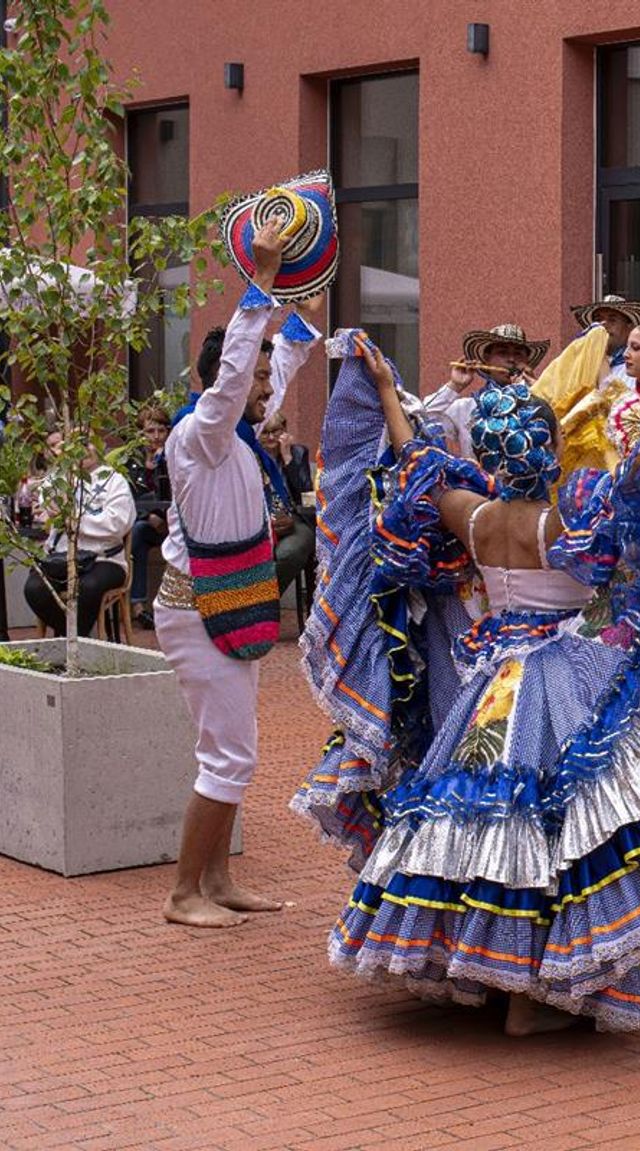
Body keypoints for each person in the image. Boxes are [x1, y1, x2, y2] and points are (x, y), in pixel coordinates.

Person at [294, 317, 640, 1032]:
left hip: (488, 686)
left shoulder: (471, 514)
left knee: (482, 827)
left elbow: (415, 455)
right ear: (547, 446)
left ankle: (487, 973)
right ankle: (534, 994)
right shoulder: (570, 513)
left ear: (487, 449)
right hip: (567, 676)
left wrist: (390, 390)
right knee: (572, 832)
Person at [156, 219, 324, 928]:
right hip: (199, 609)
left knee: (232, 753)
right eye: (250, 379)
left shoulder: (239, 433)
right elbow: (235, 383)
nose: (263, 391)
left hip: (226, 604)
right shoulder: (201, 434)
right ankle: (183, 893)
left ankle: (218, 881)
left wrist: (298, 312)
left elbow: (267, 374)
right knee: (227, 755)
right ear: (217, 380)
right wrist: (257, 285)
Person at [23, 438, 134, 637]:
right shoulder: (57, 479)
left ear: (98, 447)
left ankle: (72, 643)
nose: (82, 450)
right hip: (59, 558)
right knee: (34, 589)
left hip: (104, 559)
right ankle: (75, 640)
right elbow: (48, 506)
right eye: (75, 444)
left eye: (88, 443)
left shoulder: (114, 480)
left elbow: (117, 525)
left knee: (87, 588)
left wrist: (74, 520)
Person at [420, 322, 550, 457]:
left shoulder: (538, 405)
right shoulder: (466, 408)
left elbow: (558, 434)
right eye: (502, 353)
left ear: (527, 361)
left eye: (518, 354)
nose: (511, 359)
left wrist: (536, 391)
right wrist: (455, 386)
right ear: (486, 359)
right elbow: (421, 420)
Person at [256, 410, 315, 596]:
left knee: (288, 553)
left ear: (285, 431)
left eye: (277, 431)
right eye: (266, 433)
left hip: (295, 517)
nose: (272, 437)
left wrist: (288, 458)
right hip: (261, 520)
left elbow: (306, 493)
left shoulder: (297, 453)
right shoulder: (251, 455)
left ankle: (266, 601)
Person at [128, 403, 173, 630]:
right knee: (137, 533)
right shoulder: (131, 462)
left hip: (173, 523)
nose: (156, 437)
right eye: (150, 431)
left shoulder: (173, 457)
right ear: (140, 434)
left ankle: (173, 604)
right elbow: (128, 498)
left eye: (161, 431)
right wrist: (149, 516)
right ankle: (138, 605)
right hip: (146, 526)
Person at [571, 294, 640, 389]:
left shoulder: (637, 367)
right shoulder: (582, 365)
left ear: (629, 327)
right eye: (598, 319)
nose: (603, 324)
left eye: (612, 320)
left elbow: (617, 400)